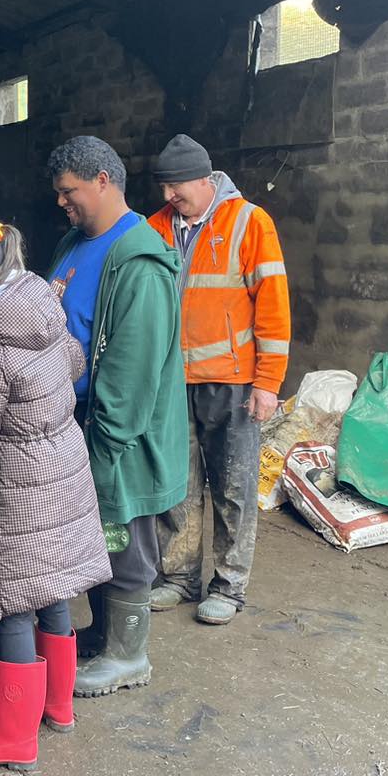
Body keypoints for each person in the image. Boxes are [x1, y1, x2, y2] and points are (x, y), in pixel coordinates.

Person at [0, 222, 111, 770]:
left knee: (11, 599)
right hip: (65, 460)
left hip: (24, 477)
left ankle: (14, 738)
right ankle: (58, 707)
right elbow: (75, 365)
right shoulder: (40, 307)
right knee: (53, 586)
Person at [45, 136, 188, 697]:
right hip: (74, 418)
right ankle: (105, 632)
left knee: (123, 534)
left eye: (68, 191)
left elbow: (131, 373)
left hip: (122, 435)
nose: (62, 202)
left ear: (103, 180)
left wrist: (105, 445)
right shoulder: (73, 243)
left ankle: (130, 654)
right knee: (95, 537)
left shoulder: (140, 260)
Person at [147, 134, 291, 625]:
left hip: (233, 381)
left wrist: (268, 383)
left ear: (207, 180)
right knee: (179, 486)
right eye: (164, 188)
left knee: (233, 488)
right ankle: (179, 578)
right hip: (172, 382)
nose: (169, 197)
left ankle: (229, 587)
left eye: (177, 187)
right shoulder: (155, 227)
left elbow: (273, 307)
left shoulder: (250, 222)